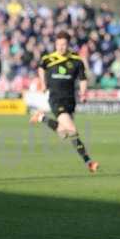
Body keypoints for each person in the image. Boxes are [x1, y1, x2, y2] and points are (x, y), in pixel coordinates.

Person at [30, 31, 99, 172]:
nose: (61, 47)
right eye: (59, 44)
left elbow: (83, 79)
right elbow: (41, 69)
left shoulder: (76, 60)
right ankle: (89, 162)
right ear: (55, 44)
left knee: (63, 133)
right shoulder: (48, 59)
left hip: (70, 100)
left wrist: (83, 93)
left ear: (68, 44)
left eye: (64, 44)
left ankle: (41, 117)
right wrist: (43, 83)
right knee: (72, 130)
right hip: (56, 99)